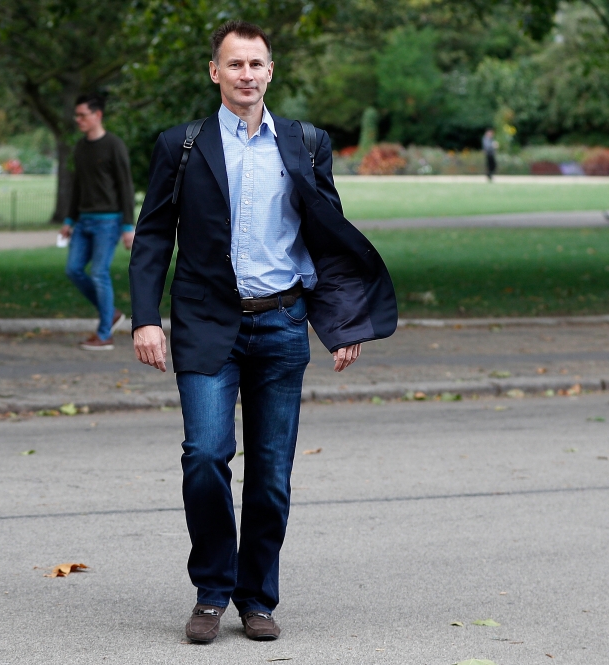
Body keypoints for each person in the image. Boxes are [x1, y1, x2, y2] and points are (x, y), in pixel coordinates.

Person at [128, 20, 398, 643]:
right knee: (204, 457)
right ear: (215, 72)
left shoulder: (305, 143)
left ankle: (257, 598)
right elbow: (152, 237)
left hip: (281, 324)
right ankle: (211, 592)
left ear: (270, 72)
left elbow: (328, 236)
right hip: (204, 324)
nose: (246, 75)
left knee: (272, 474)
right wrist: (145, 317)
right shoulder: (183, 145)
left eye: (257, 64)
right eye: (235, 64)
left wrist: (341, 321)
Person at [60, 93, 135, 350]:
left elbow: (126, 187)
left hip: (109, 221)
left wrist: (128, 226)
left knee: (99, 272)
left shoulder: (114, 145)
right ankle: (111, 314)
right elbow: (77, 187)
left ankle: (105, 335)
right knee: (73, 269)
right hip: (83, 221)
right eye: (77, 115)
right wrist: (69, 219)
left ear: (97, 115)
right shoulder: (80, 148)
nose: (78, 119)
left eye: (83, 115)